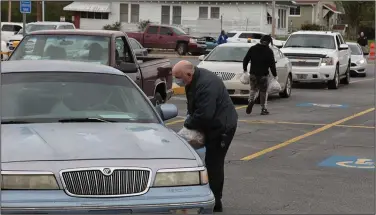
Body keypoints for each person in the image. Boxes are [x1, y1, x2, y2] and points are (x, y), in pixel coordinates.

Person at [172, 60, 238, 212]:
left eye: (179, 77)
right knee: (203, 161)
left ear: (189, 74)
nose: (177, 81)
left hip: (222, 127)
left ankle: (215, 201)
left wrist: (188, 123)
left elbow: (204, 115)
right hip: (212, 124)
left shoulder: (206, 85)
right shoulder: (193, 80)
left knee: (214, 163)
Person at [242, 34, 277, 115]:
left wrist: (245, 69)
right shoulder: (269, 51)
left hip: (253, 74)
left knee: (253, 89)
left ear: (261, 41)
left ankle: (251, 101)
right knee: (263, 92)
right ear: (268, 42)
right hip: (263, 75)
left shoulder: (253, 48)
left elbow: (246, 59)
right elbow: (272, 65)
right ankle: (263, 108)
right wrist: (275, 75)